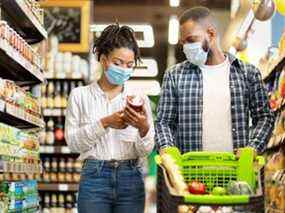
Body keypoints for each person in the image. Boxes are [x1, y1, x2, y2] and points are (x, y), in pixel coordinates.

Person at [155, 6, 274, 155]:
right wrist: (167, 147)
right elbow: (163, 122)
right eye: (183, 42)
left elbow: (264, 117)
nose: (186, 47)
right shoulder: (174, 75)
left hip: (236, 172)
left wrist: (253, 148)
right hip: (191, 172)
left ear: (211, 34)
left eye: (191, 40)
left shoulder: (248, 73)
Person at [65, 24, 155, 213]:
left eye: (130, 65)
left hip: (131, 177)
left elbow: (144, 150)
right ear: (104, 60)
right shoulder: (80, 96)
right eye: (118, 62)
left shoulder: (139, 99)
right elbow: (73, 144)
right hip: (94, 178)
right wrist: (105, 123)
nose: (124, 69)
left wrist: (144, 128)